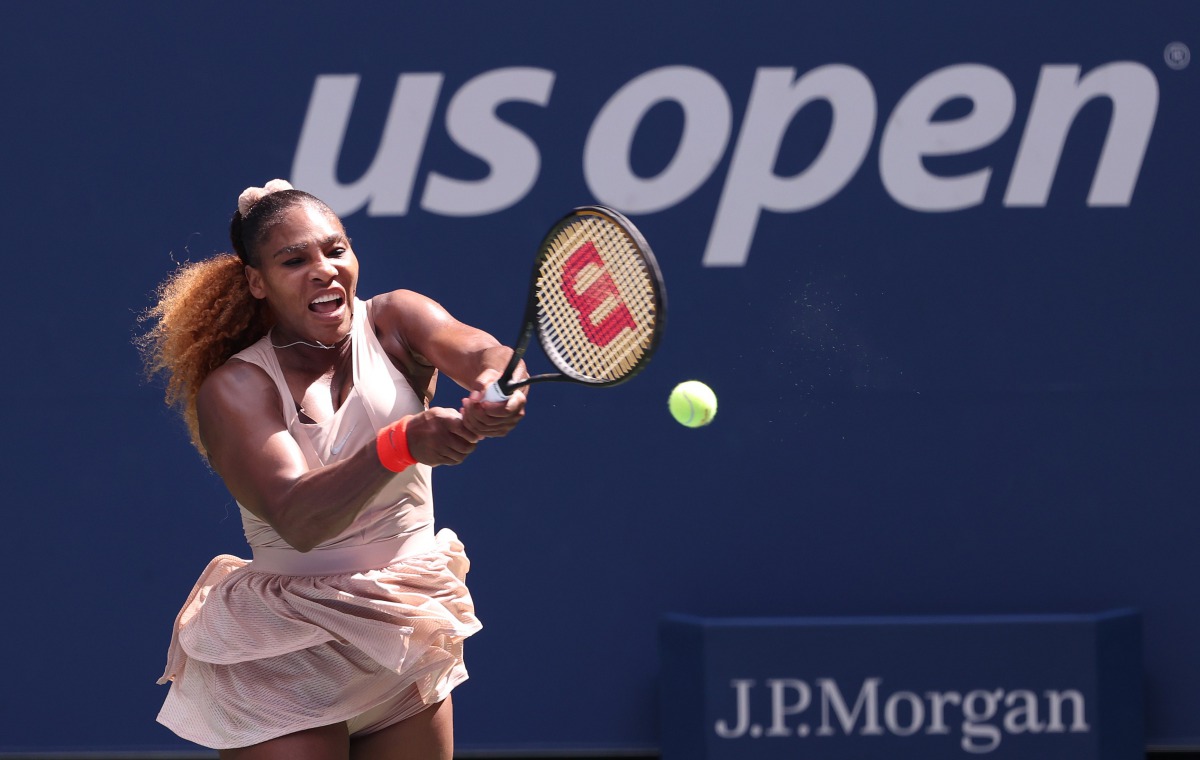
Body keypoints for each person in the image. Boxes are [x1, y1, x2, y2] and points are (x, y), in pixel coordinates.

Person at [138, 179, 527, 760]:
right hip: (283, 657)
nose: (323, 269)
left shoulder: (395, 320)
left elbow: (476, 350)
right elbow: (299, 517)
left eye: (335, 249)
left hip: (400, 633)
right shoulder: (236, 388)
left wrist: (498, 385)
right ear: (256, 282)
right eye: (294, 260)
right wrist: (403, 442)